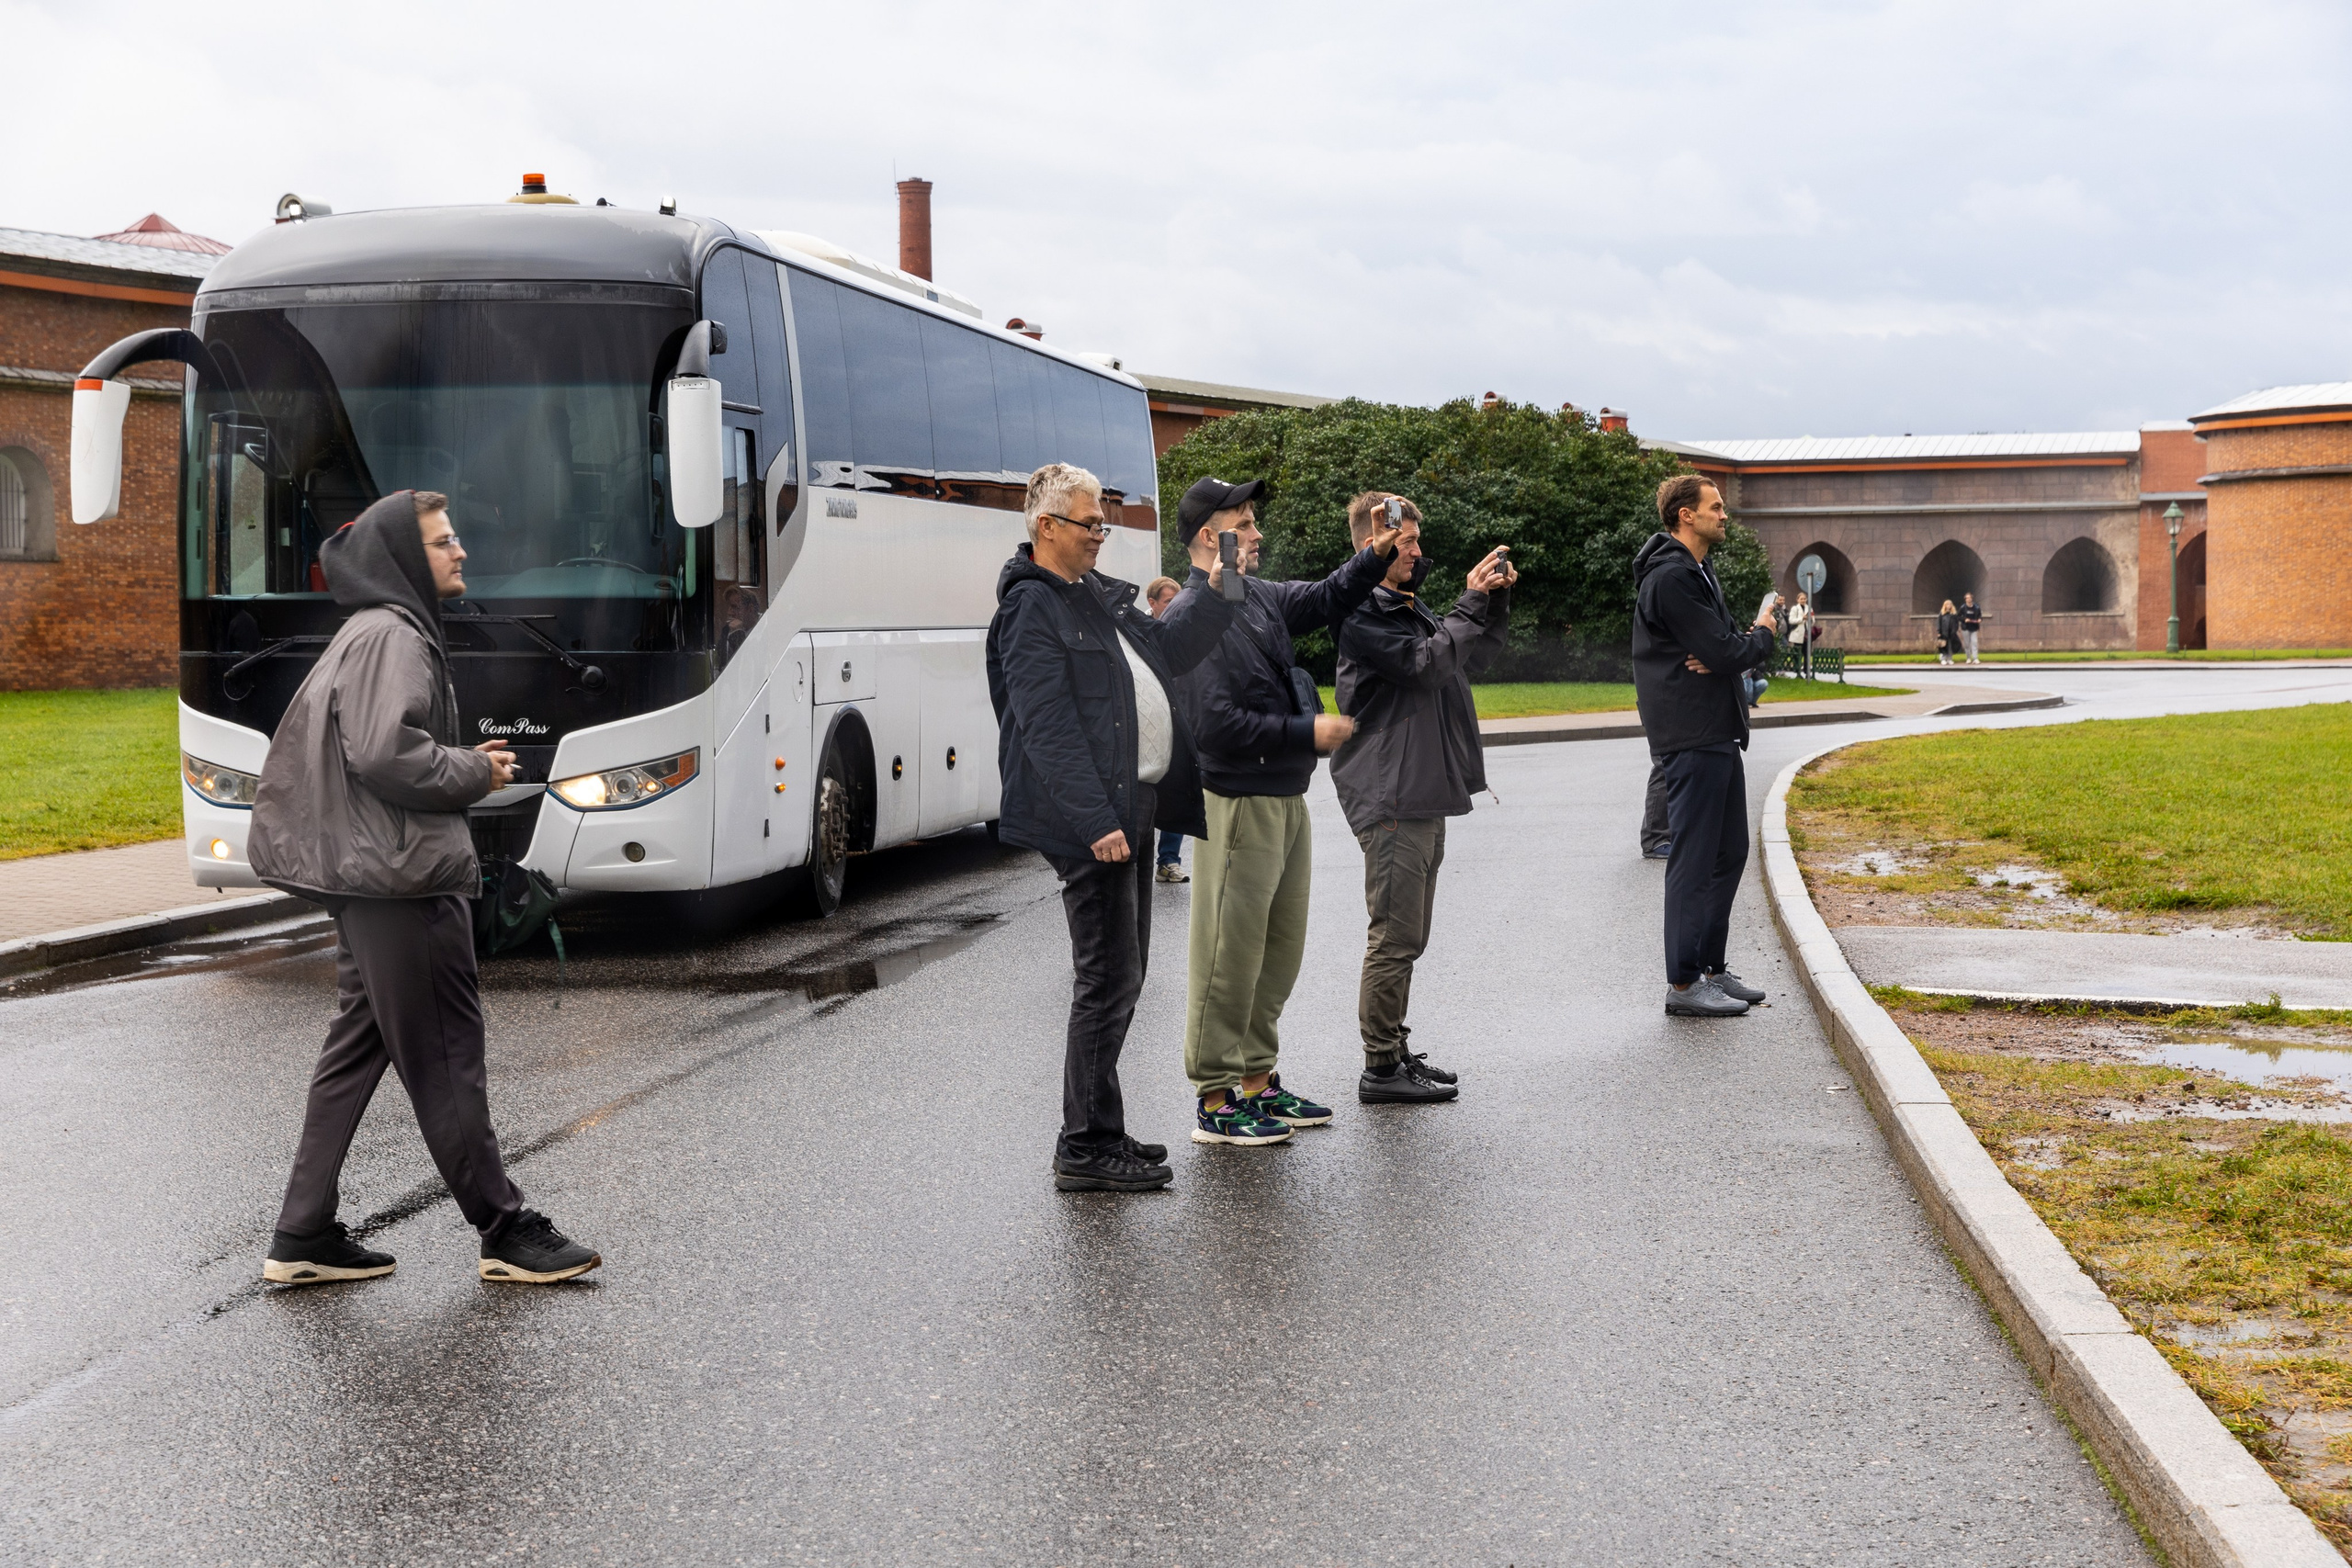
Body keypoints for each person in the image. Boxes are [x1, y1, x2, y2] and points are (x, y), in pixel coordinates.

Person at [249, 491, 601, 1286]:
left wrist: (462, 761)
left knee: (354, 1050)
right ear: (406, 558)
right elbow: (384, 751)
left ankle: (303, 1231)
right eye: (443, 542)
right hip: (403, 879)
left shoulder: (370, 630)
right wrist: (474, 769)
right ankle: (505, 1228)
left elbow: (377, 746)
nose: (460, 550)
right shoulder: (396, 635)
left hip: (375, 875)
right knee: (447, 1055)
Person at [987, 465, 1236, 1193]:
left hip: (1131, 805)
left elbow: (1172, 649)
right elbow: (1046, 725)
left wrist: (1223, 577)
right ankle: (1085, 1144)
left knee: (1126, 974)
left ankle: (1100, 1125)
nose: (1102, 533)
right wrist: (1095, 819)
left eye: (1103, 522)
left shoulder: (1093, 595)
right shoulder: (1031, 608)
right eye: (1089, 522)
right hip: (1090, 820)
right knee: (1106, 978)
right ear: (1047, 526)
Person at [1174, 475, 1400, 1146]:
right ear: (1208, 536)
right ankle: (1215, 1100)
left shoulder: (1256, 596)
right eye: (1243, 522)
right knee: (1228, 956)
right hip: (1238, 802)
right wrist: (1307, 731)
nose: (1257, 532)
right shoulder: (1194, 617)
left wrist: (1376, 552)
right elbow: (1215, 725)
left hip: (1283, 797)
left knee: (1275, 955)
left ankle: (1256, 1081)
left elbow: (1328, 595)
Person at [1329, 492, 1513, 1105]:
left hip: (1419, 791)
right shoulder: (1362, 612)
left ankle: (1392, 1048)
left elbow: (1466, 656)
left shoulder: (1405, 604)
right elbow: (1426, 665)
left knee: (1409, 936)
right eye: (1406, 540)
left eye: (1415, 539)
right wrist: (1467, 602)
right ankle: (1380, 1068)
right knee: (1394, 935)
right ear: (1373, 544)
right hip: (1392, 795)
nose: (1416, 550)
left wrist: (1491, 598)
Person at [1631, 475, 1780, 1020]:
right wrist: (1761, 633)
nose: (1724, 514)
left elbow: (1721, 649)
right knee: (1693, 860)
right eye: (1715, 507)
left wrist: (1728, 650)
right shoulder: (1671, 576)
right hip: (1691, 732)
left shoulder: (1698, 569)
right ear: (1685, 515)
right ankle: (1684, 982)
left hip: (1716, 731)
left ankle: (1712, 969)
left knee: (1729, 852)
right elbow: (1724, 651)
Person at [1144, 575, 1191, 884]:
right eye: (1168, 602)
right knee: (1148, 794)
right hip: (1149, 725)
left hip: (1177, 719)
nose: (1175, 606)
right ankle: (1139, 860)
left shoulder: (1179, 630)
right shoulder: (1140, 629)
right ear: (1152, 603)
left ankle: (1168, 861)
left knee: (1178, 789)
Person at [1786, 589, 1814, 681]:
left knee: (1807, 654)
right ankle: (1797, 671)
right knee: (1798, 655)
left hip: (1807, 635)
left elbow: (1813, 620)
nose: (1803, 600)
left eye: (1804, 599)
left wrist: (1810, 619)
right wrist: (1802, 618)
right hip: (1797, 635)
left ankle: (1807, 672)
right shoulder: (1795, 609)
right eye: (1801, 599)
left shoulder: (1809, 608)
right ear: (1798, 600)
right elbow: (1791, 620)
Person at [1960, 592, 1983, 664]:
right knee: (1967, 644)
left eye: (1969, 598)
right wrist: (1964, 619)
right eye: (1967, 598)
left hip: (1974, 627)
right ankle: (1968, 658)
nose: (1968, 599)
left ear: (1972, 598)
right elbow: (1958, 616)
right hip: (1965, 628)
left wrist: (1980, 619)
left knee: (1974, 642)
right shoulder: (1963, 608)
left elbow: (1980, 615)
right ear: (1965, 599)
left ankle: (1975, 658)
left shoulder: (1977, 607)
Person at [1937, 598, 1960, 665]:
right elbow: (1938, 623)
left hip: (1951, 633)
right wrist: (1939, 632)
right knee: (1943, 646)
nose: (1949, 606)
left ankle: (1949, 659)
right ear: (1945, 605)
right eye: (1947, 604)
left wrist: (1955, 630)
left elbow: (1956, 623)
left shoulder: (1954, 614)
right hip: (1944, 633)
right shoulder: (1942, 613)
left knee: (1950, 646)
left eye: (1950, 604)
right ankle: (1943, 659)